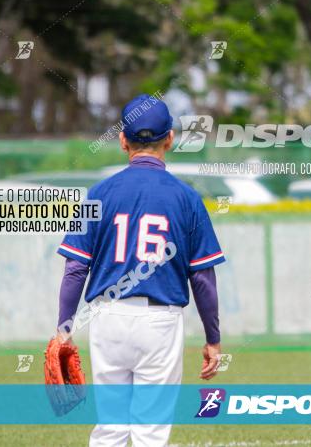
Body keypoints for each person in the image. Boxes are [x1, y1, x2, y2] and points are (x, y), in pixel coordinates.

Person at [54, 93, 226, 447]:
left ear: (122, 140)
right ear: (170, 139)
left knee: (110, 429)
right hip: (160, 323)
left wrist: (63, 329)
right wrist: (213, 338)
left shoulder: (99, 193)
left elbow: (75, 269)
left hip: (108, 319)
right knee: (151, 433)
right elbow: (203, 278)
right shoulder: (187, 198)